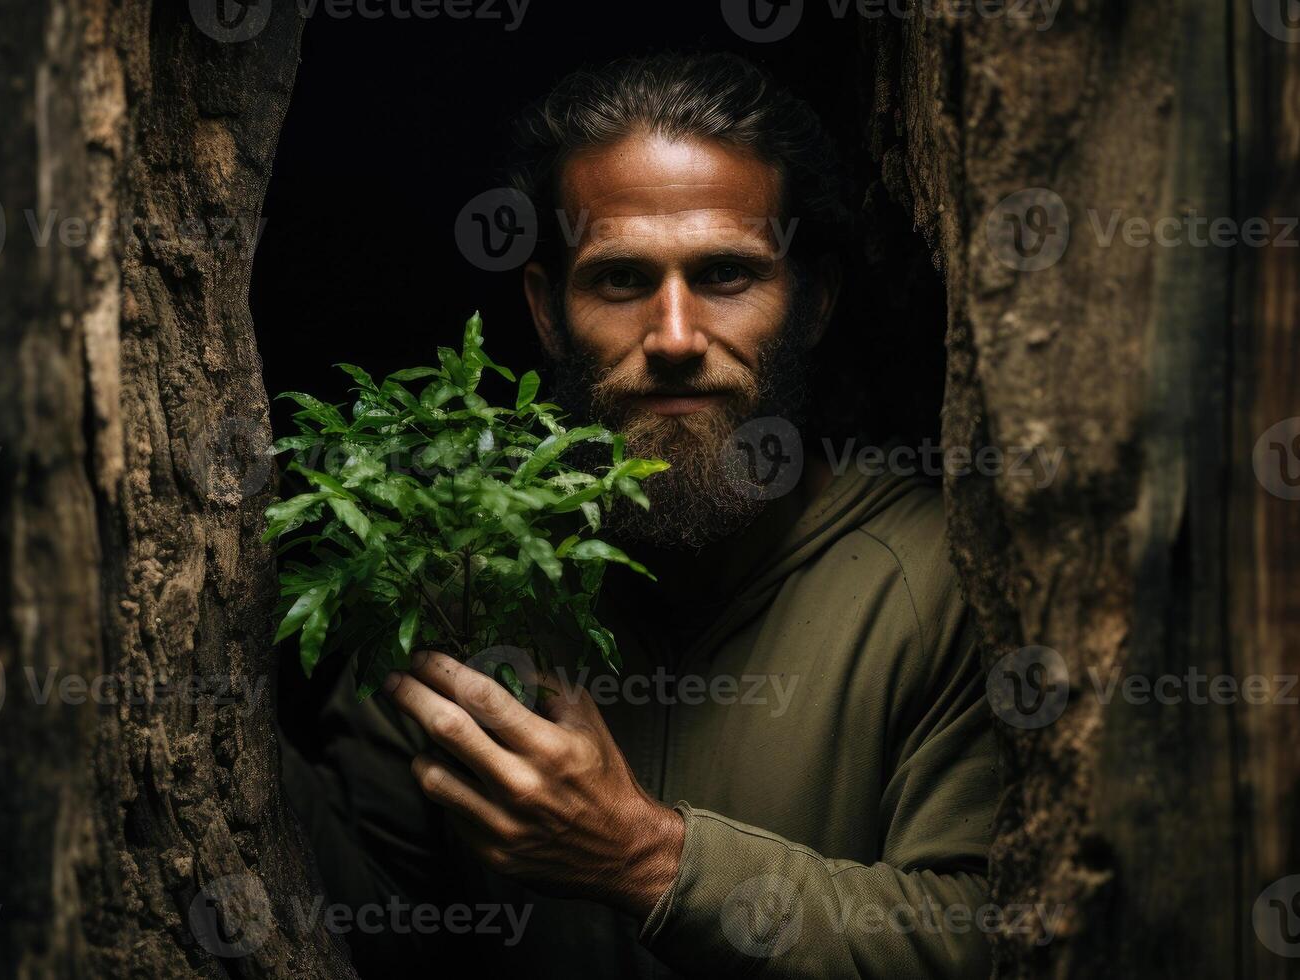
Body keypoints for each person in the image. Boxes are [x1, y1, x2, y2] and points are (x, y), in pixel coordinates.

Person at [283, 51, 997, 979]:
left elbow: (996, 943)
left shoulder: (947, 581)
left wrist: (650, 860)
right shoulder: (464, 580)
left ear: (813, 301)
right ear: (546, 309)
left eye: (727, 274)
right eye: (620, 280)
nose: (672, 338)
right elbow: (361, 922)